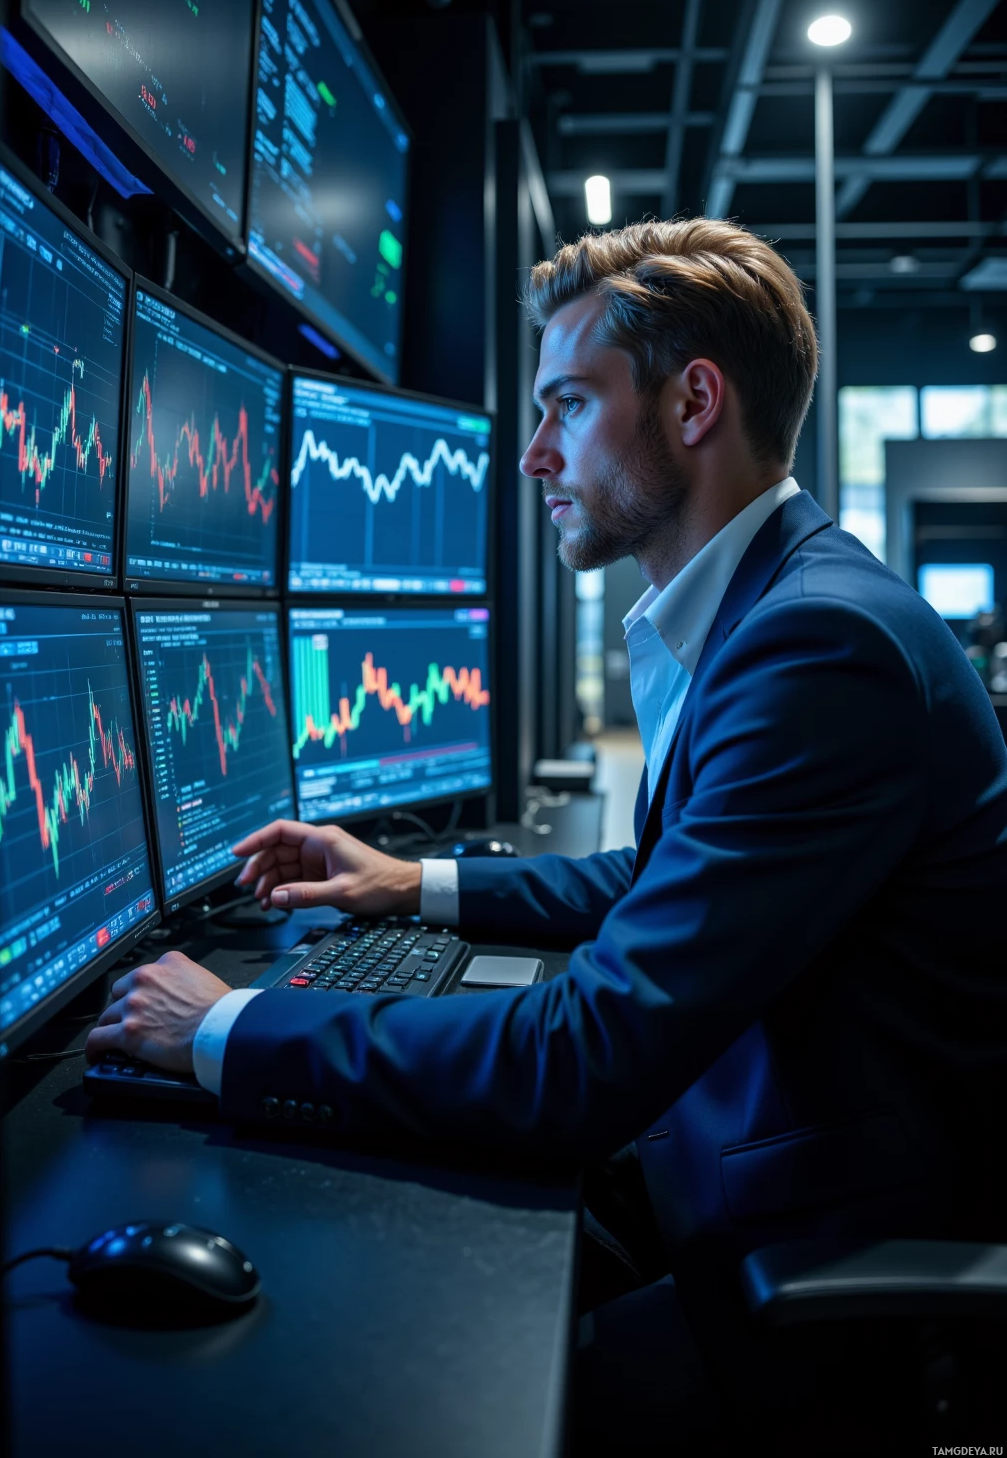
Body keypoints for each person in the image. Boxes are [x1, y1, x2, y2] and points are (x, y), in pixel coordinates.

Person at [86, 220, 1007, 1437]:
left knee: (399, 1391)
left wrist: (227, 1028)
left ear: (692, 404)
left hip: (814, 1263)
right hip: (734, 1154)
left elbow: (582, 1063)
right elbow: (668, 878)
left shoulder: (814, 645)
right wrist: (411, 884)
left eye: (566, 406)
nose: (532, 455)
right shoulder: (779, 603)